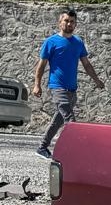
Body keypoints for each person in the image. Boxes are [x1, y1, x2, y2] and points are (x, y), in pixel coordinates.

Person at [32, 9, 104, 159]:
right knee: (70, 120)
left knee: (57, 121)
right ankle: (76, 152)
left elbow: (86, 64)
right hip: (57, 88)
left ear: (75, 24)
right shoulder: (51, 42)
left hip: (72, 90)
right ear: (60, 22)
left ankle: (42, 147)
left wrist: (96, 80)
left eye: (72, 21)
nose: (69, 24)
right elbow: (41, 65)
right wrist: (36, 84)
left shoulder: (78, 42)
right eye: (66, 21)